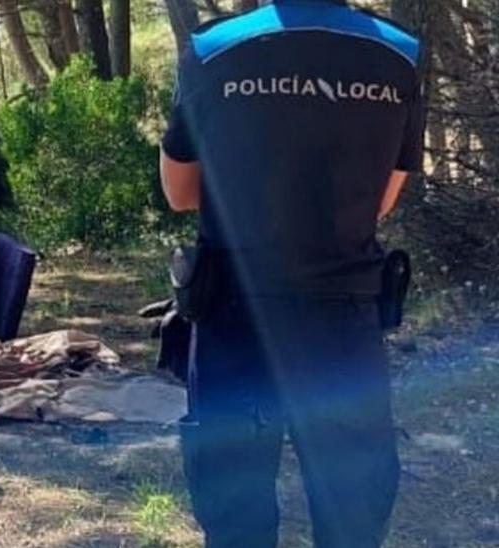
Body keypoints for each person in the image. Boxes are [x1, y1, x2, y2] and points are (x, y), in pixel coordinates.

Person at [159, 1, 423, 547]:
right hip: (344, 322)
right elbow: (380, 201)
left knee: (235, 519)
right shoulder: (398, 54)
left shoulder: (214, 49)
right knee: (353, 516)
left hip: (235, 318)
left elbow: (180, 193)